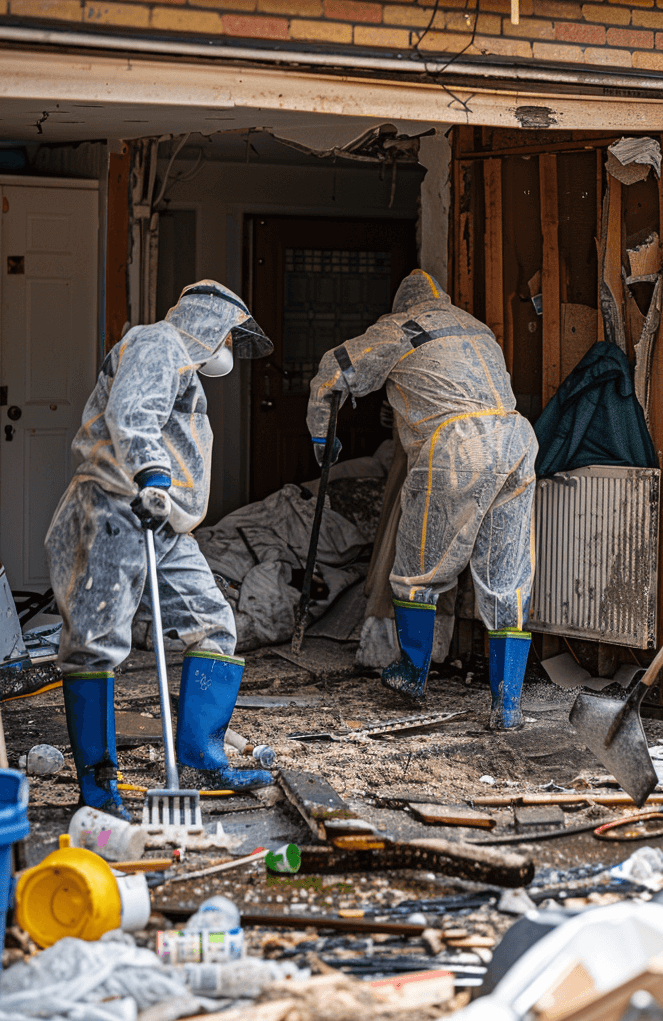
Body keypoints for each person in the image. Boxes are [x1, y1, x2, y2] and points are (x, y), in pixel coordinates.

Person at [45, 281, 275, 820]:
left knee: (214, 624)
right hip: (117, 506)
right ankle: (99, 791)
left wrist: (162, 490)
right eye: (228, 338)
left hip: (164, 521)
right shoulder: (158, 343)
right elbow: (134, 411)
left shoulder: (184, 367)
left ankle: (200, 760)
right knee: (96, 643)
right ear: (208, 324)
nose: (230, 352)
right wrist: (151, 473)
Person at [307, 269, 538, 729]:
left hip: (457, 444)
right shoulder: (474, 326)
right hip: (515, 437)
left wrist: (321, 432)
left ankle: (412, 674)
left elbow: (336, 369)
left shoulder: (402, 326)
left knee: (418, 567)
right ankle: (507, 705)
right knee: (505, 575)